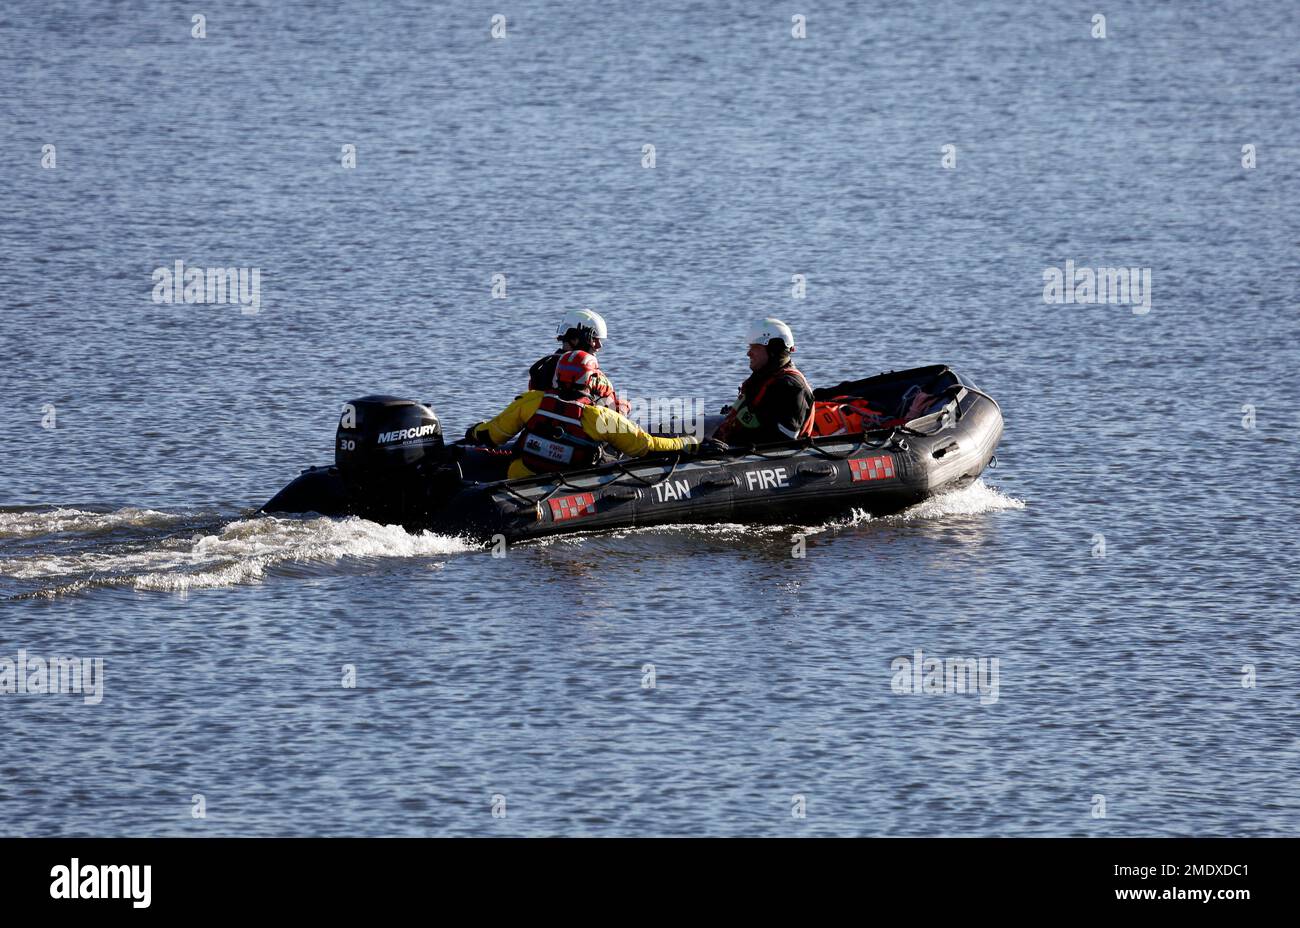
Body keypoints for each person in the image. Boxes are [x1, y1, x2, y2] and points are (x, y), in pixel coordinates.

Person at [466, 350, 698, 479]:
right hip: (569, 483)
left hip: (521, 476)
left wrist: (474, 432)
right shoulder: (599, 418)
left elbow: (493, 435)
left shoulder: (531, 402)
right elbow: (645, 446)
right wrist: (687, 442)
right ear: (591, 380)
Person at [713, 317, 815, 445]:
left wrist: (732, 444)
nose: (748, 353)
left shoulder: (793, 387)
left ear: (774, 349)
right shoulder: (761, 379)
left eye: (755, 347)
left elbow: (782, 440)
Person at [529, 308, 628, 413]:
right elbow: (611, 410)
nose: (599, 346)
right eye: (594, 339)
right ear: (574, 339)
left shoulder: (542, 368)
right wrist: (624, 406)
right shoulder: (591, 374)